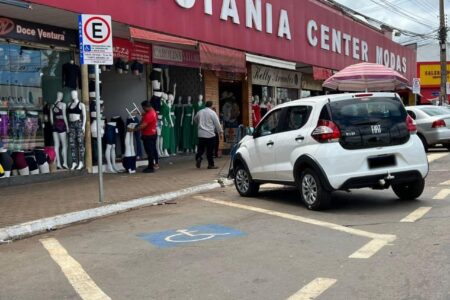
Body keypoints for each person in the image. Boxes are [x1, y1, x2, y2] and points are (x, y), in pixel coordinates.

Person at [129, 100, 157, 173]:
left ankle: (150, 167)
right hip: (152, 134)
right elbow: (144, 113)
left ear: (146, 107)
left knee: (149, 151)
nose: (143, 109)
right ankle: (152, 165)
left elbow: (142, 126)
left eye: (143, 108)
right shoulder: (152, 111)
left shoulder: (149, 115)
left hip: (148, 135)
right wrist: (138, 112)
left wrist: (133, 129)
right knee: (151, 151)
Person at [194, 101, 223, 169]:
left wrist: (200, 124)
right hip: (210, 134)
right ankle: (211, 164)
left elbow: (195, 119)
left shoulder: (200, 112)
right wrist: (220, 132)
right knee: (210, 150)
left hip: (201, 134)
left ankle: (199, 157)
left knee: (201, 148)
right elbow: (217, 123)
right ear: (211, 106)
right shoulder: (212, 113)